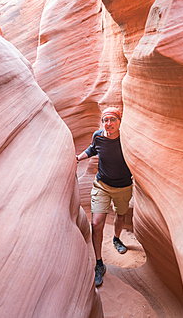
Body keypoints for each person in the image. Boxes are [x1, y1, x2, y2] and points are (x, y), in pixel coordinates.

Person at [76, 107, 133, 287]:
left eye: (112, 120)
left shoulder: (127, 139)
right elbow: (92, 149)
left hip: (123, 186)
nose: (108, 124)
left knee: (120, 215)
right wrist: (77, 158)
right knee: (96, 223)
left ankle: (116, 239)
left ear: (119, 121)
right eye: (105, 120)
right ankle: (99, 263)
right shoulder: (98, 136)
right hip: (101, 185)